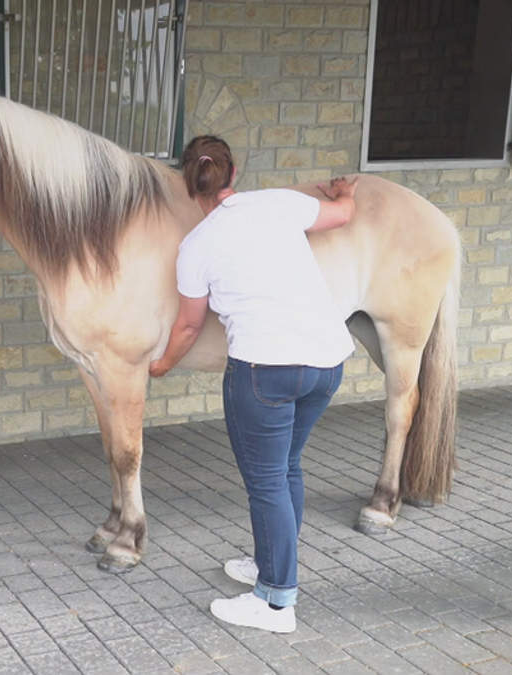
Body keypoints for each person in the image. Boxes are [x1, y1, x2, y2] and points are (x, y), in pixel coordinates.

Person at [149, 135, 359, 633]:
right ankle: (271, 562)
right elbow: (343, 214)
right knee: (286, 467)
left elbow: (187, 326)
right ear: (234, 173)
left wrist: (160, 366)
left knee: (266, 481)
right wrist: (344, 190)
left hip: (266, 370)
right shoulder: (278, 203)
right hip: (327, 363)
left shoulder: (196, 246)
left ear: (188, 185)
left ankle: (276, 602)